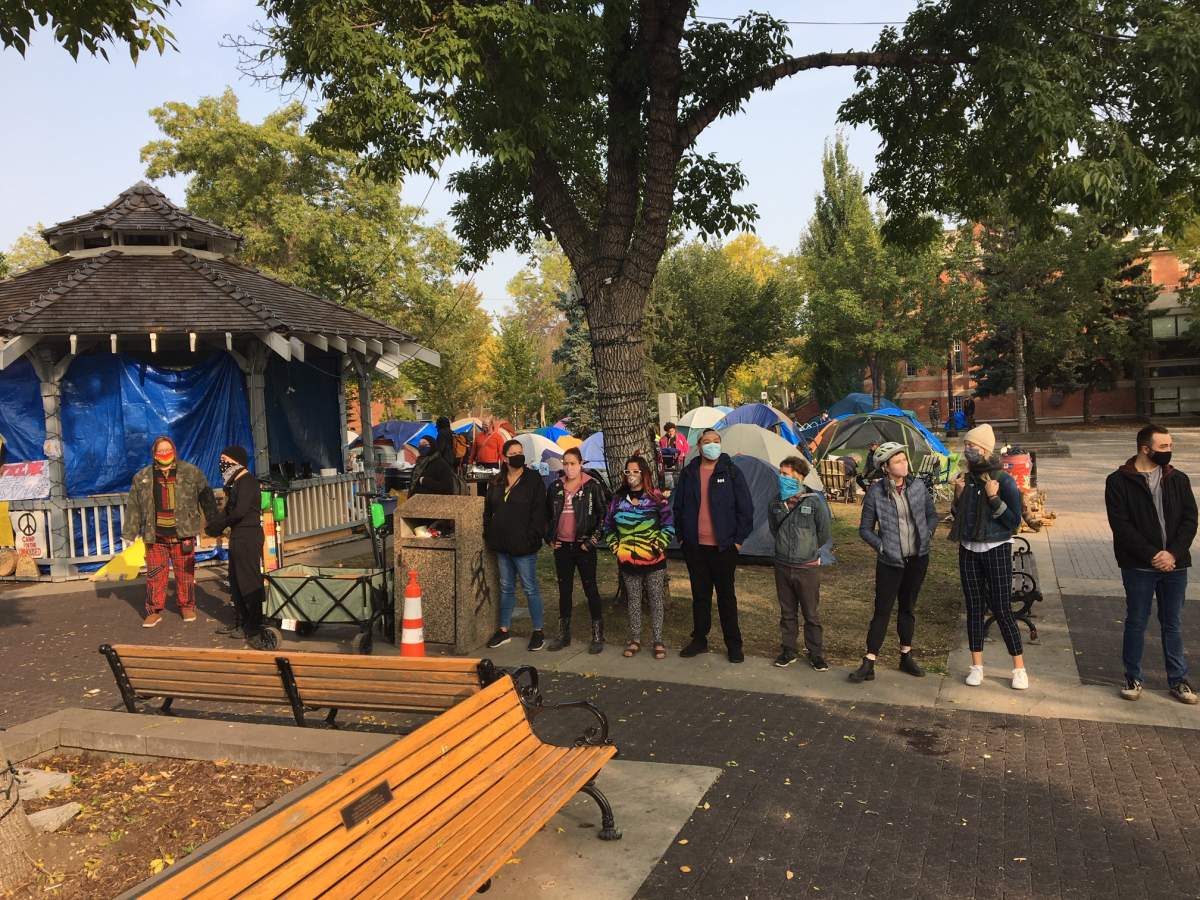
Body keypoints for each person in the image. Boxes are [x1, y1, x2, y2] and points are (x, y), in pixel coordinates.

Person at [1105, 424, 1199, 704]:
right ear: (1145, 449)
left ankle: (1178, 680)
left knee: (1173, 623)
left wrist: (1172, 554)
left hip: (1175, 566)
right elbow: (1121, 525)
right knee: (1136, 621)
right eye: (1163, 447)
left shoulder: (1177, 479)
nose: (1169, 452)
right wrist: (1152, 555)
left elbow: (1190, 520)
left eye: (1170, 446)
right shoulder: (1118, 481)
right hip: (1138, 567)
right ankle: (1133, 677)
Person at [849, 442, 938, 683]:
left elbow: (932, 515)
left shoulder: (918, 486)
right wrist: (881, 546)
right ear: (886, 467)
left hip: (918, 558)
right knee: (882, 610)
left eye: (904, 459)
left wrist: (927, 534)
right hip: (890, 562)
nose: (904, 464)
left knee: (908, 607)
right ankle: (869, 662)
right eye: (897, 461)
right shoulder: (876, 494)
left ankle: (906, 656)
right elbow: (865, 529)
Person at [951, 424, 1029, 690]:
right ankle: (977, 666)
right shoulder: (967, 477)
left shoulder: (1002, 480)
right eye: (966, 445)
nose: (967, 449)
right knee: (973, 608)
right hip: (969, 549)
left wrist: (994, 498)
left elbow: (1014, 522)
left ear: (984, 449)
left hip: (996, 548)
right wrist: (958, 496)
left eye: (971, 445)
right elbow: (961, 515)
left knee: (1002, 608)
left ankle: (1018, 668)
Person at [673, 428, 754, 662]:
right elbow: (678, 508)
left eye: (715, 441)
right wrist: (682, 538)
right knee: (700, 596)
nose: (711, 445)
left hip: (724, 548)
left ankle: (734, 645)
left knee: (726, 597)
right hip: (695, 547)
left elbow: (746, 509)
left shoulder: (731, 472)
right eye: (706, 441)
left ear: (720, 444)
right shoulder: (689, 473)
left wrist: (737, 542)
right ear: (698, 446)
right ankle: (700, 639)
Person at [123, 436, 217, 627]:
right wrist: (129, 534)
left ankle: (187, 606)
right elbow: (133, 506)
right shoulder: (142, 477)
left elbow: (207, 496)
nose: (164, 454)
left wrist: (216, 523)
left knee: (185, 573)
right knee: (155, 574)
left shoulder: (191, 472)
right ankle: (154, 610)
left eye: (168, 450)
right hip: (155, 535)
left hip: (183, 533)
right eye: (160, 451)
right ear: (154, 453)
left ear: (174, 451)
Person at [605, 456, 674, 660]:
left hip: (654, 562)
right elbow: (608, 527)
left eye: (636, 471)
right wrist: (617, 548)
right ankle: (635, 639)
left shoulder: (656, 497)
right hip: (628, 562)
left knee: (655, 600)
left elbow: (669, 526)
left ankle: (658, 640)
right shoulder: (617, 499)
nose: (632, 475)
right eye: (628, 472)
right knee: (633, 601)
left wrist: (656, 546)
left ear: (644, 474)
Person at [483, 439, 548, 651]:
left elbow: (540, 512)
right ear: (504, 457)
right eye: (514, 452)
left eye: (521, 452)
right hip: (502, 545)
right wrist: (489, 533)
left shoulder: (533, 479)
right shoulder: (496, 481)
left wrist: (532, 537)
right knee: (506, 588)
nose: (518, 455)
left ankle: (538, 630)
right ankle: (504, 629)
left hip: (525, 546)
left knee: (530, 588)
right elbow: (488, 510)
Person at [769, 456, 832, 671]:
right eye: (781, 473)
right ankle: (788, 650)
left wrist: (808, 549)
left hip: (807, 567)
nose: (782, 477)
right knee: (787, 612)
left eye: (786, 474)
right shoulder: (776, 502)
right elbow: (773, 529)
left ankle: (816, 653)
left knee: (811, 613)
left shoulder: (813, 502)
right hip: (782, 565)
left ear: (800, 476)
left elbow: (823, 533)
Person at [545, 447, 610, 653]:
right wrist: (549, 538)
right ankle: (563, 634)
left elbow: (604, 516)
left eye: (573, 463)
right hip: (562, 546)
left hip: (583, 546)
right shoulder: (555, 486)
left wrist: (592, 541)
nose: (569, 467)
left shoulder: (592, 486)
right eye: (565, 463)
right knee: (565, 590)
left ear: (581, 464)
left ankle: (598, 635)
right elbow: (547, 516)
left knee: (591, 589)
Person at [204, 446, 267, 646]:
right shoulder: (236, 484)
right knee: (236, 581)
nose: (221, 465)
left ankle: (254, 625)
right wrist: (213, 528)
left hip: (248, 536)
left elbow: (239, 512)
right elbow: (230, 511)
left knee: (249, 581)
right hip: (239, 537)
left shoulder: (248, 482)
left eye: (224, 460)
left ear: (235, 461)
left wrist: (221, 525)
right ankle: (240, 621)